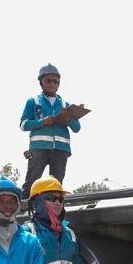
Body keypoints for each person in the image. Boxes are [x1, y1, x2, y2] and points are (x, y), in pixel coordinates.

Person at [20, 64, 83, 197]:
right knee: (31, 182)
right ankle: (23, 214)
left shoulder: (66, 105)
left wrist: (69, 118)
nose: (52, 84)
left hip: (61, 149)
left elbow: (77, 128)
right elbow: (23, 124)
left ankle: (54, 214)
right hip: (39, 148)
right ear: (41, 82)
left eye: (55, 81)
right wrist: (42, 122)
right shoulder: (33, 101)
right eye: (48, 80)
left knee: (56, 185)